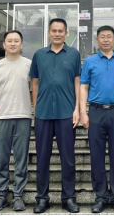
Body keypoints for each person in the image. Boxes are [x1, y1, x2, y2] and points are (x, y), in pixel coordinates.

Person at [30, 18, 82, 214]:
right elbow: (35, 83)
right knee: (42, 158)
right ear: (49, 33)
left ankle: (68, 198)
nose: (57, 34)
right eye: (54, 30)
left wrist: (77, 109)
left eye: (61, 31)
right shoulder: (39, 55)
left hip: (66, 113)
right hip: (43, 113)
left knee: (68, 159)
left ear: (66, 33)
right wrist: (35, 108)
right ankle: (42, 199)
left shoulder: (74, 54)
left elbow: (77, 82)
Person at [80, 26, 114, 214]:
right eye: (102, 37)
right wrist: (83, 112)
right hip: (96, 111)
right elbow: (83, 87)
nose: (106, 40)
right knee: (96, 155)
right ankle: (101, 196)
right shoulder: (90, 61)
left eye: (109, 37)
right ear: (97, 40)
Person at [0, 30, 33, 212]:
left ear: (21, 44)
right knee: (1, 159)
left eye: (16, 41)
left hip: (23, 116)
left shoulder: (29, 65)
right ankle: (1, 195)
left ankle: (18, 195)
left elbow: (32, 90)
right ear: (3, 45)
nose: (13, 43)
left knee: (21, 159)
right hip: (1, 116)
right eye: (9, 41)